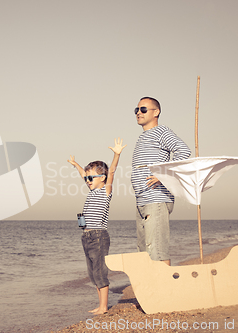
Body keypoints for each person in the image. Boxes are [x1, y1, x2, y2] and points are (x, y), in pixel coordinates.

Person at [67, 138, 126, 315]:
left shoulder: (105, 191)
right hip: (86, 237)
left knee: (100, 272)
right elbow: (82, 175)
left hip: (99, 236)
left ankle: (104, 307)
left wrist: (116, 155)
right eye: (87, 178)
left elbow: (113, 172)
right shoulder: (92, 191)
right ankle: (100, 304)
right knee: (93, 274)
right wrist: (75, 164)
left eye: (91, 177)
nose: (87, 180)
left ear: (103, 178)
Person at [131, 97, 191, 266]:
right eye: (136, 110)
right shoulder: (143, 137)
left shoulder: (162, 132)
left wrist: (163, 175)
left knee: (157, 250)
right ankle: (152, 290)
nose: (138, 113)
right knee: (144, 252)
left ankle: (165, 291)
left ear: (156, 112)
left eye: (143, 109)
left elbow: (183, 151)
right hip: (142, 200)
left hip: (156, 199)